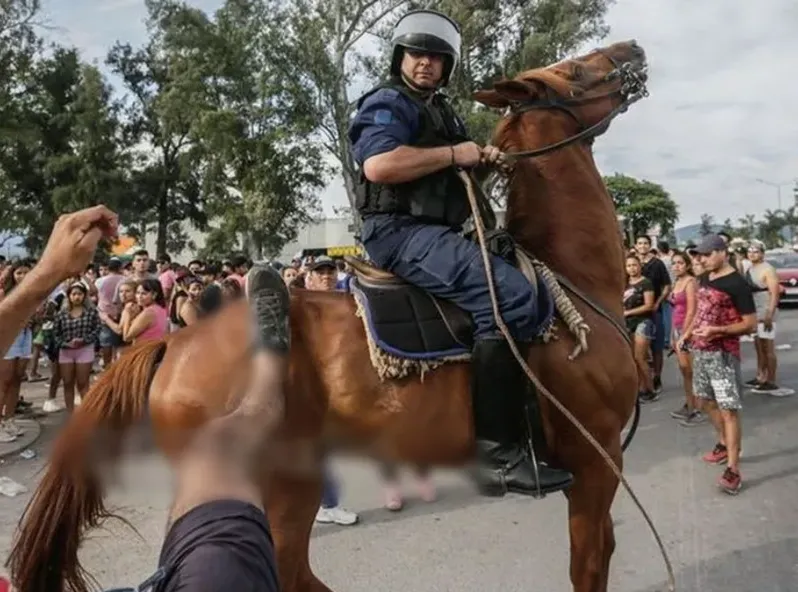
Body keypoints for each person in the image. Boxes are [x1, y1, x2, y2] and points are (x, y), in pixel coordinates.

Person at [347, 8, 572, 497]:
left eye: (435, 57)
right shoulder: (389, 102)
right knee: (510, 297)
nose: (425, 63)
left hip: (438, 229)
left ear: (447, 66)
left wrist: (485, 161)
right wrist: (457, 153)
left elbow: (448, 176)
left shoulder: (441, 111)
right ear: (399, 58)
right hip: (400, 232)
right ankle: (494, 455)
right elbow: (381, 166)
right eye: (416, 54)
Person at [691, 234, 756, 494]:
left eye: (707, 255)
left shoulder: (737, 284)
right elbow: (700, 310)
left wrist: (717, 331)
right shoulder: (706, 277)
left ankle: (733, 468)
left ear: (722, 253)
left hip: (723, 355)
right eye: (700, 255)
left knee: (728, 410)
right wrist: (687, 334)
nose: (702, 260)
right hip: (701, 350)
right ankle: (723, 442)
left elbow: (750, 323)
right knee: (704, 401)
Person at [744, 241, 784, 393]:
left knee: (768, 346)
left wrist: (769, 314)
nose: (752, 254)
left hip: (765, 310)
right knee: (758, 345)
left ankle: (771, 379)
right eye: (750, 251)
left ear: (762, 253)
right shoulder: (750, 269)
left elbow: (774, 293)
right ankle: (761, 375)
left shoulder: (768, 269)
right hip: (754, 309)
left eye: (755, 251)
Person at [622, 255, 656, 402]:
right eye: (628, 266)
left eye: (634, 265)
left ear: (640, 266)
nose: (632, 268)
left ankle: (650, 389)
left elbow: (649, 305)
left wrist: (628, 312)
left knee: (640, 357)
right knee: (633, 359)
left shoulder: (646, 283)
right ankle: (641, 388)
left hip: (644, 321)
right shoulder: (624, 284)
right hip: (628, 324)